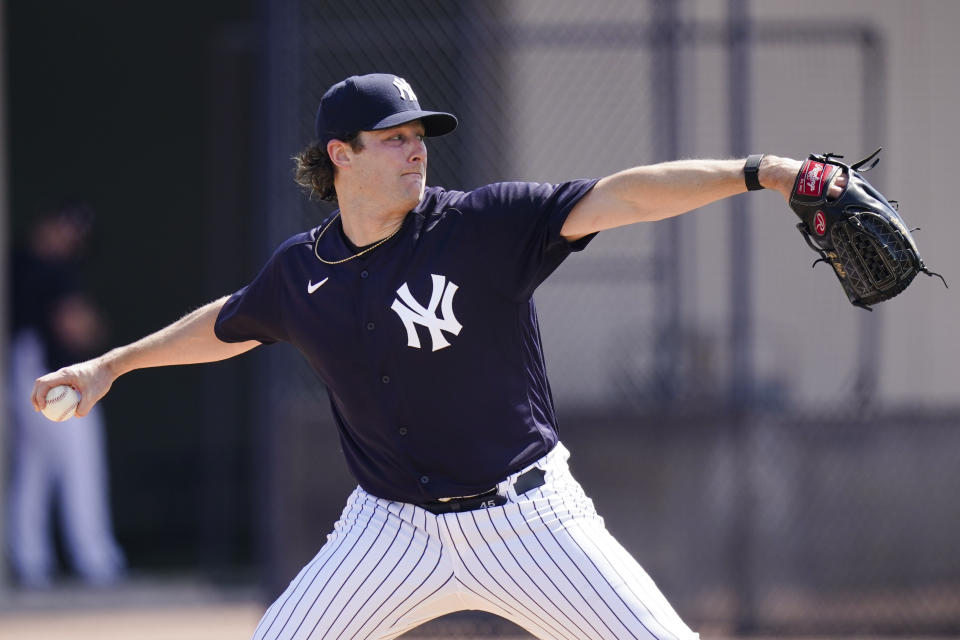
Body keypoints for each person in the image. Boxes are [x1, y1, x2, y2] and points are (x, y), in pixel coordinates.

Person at [32, 73, 833, 638]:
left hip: (528, 520)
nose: (417, 151)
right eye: (395, 139)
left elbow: (624, 194)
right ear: (339, 155)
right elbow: (231, 321)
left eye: (421, 137)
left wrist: (760, 174)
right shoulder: (302, 270)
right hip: (389, 532)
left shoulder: (481, 226)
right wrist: (111, 365)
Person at [9, 201, 126, 588]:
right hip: (51, 374)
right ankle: (95, 559)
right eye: (64, 226)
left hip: (31, 371)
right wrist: (95, 327)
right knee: (80, 464)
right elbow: (77, 326)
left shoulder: (29, 264)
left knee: (35, 467)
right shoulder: (45, 268)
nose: (68, 235)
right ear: (46, 224)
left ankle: (30, 561)